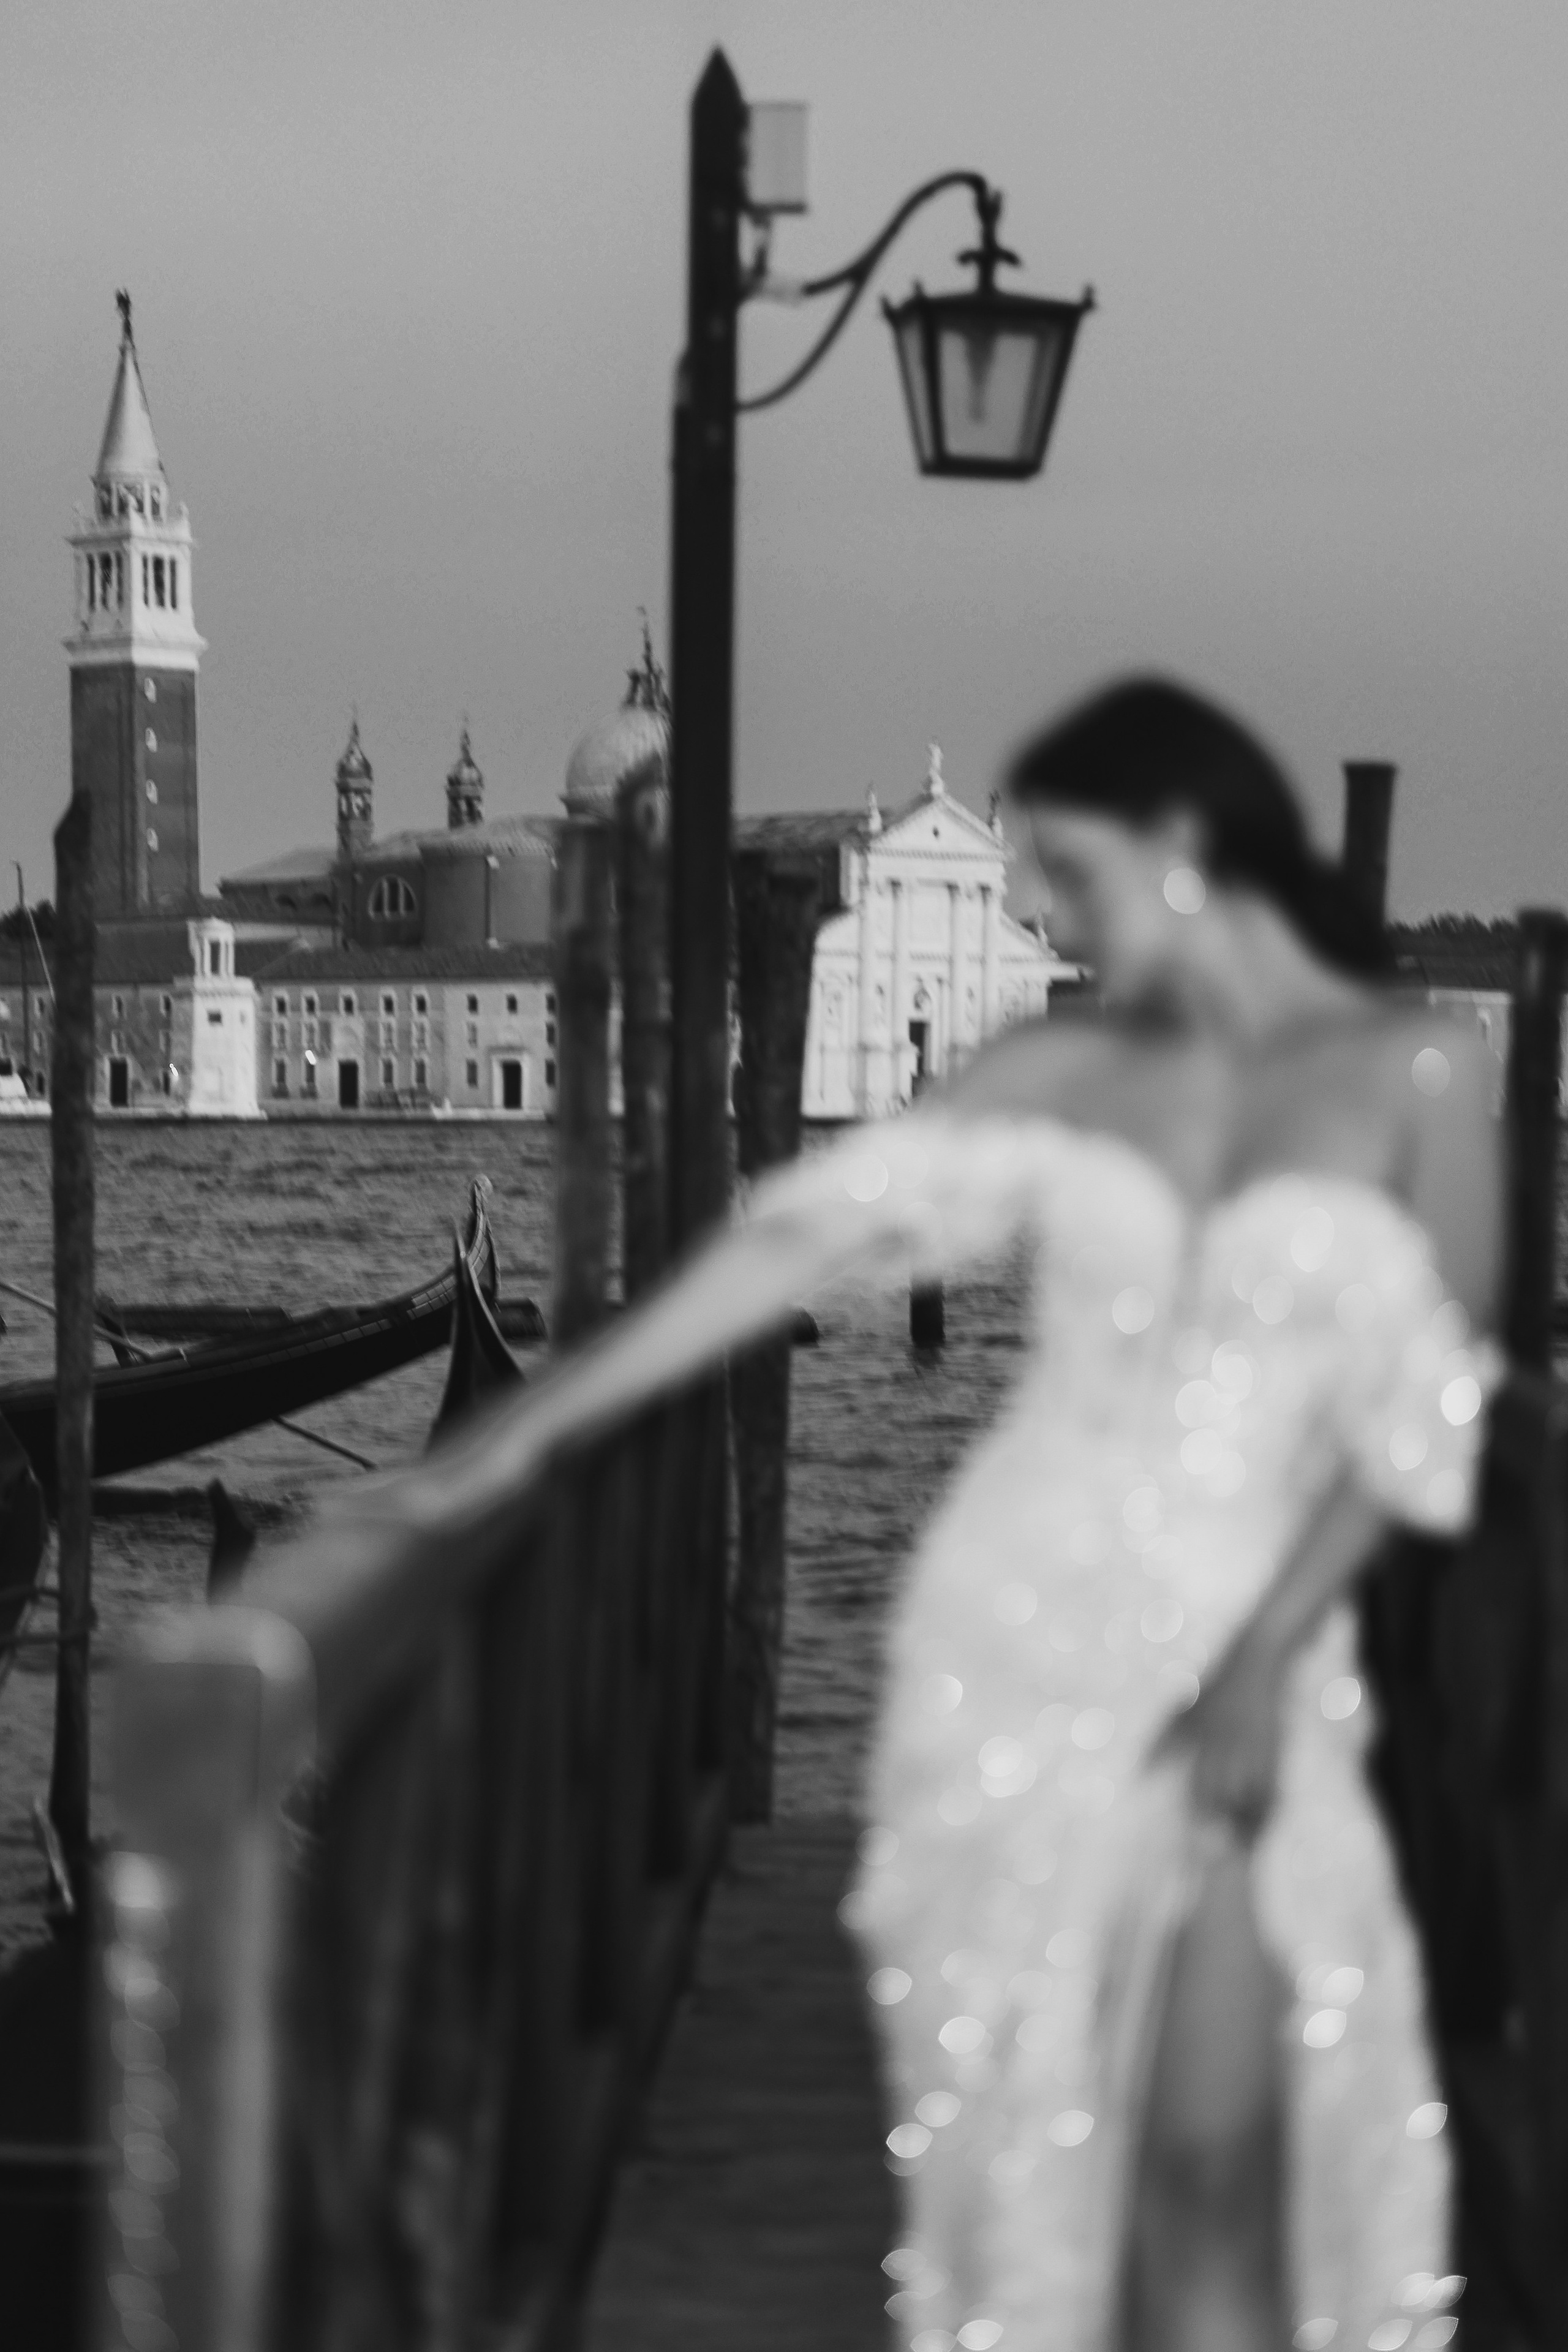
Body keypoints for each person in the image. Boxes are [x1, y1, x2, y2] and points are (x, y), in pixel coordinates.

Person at [529, 677, 1500, 2351]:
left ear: (1188, 848)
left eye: (1068, 870)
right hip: (1021, 1647)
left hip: (1246, 1648)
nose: (1041, 912)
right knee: (1043, 2142)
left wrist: (1269, 1650)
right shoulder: (1063, 1065)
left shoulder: (1417, 1070)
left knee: (1219, 2145)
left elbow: (1432, 1410)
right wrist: (529, 1432)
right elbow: (799, 1243)